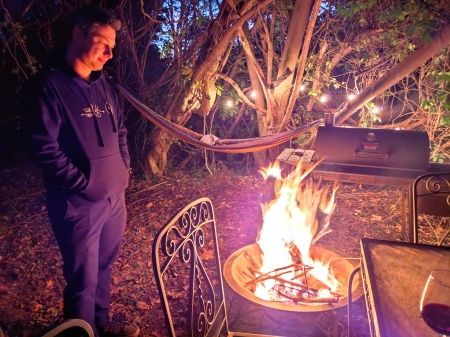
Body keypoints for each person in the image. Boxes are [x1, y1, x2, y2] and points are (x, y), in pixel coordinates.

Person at [20, 5, 139, 337]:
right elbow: (42, 147)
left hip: (115, 198)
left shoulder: (104, 86)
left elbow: (120, 132)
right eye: (102, 42)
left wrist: (123, 171)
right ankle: (80, 332)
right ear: (77, 33)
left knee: (104, 268)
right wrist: (82, 183)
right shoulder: (47, 87)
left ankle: (98, 326)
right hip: (77, 204)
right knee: (82, 280)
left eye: (113, 47)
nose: (109, 53)